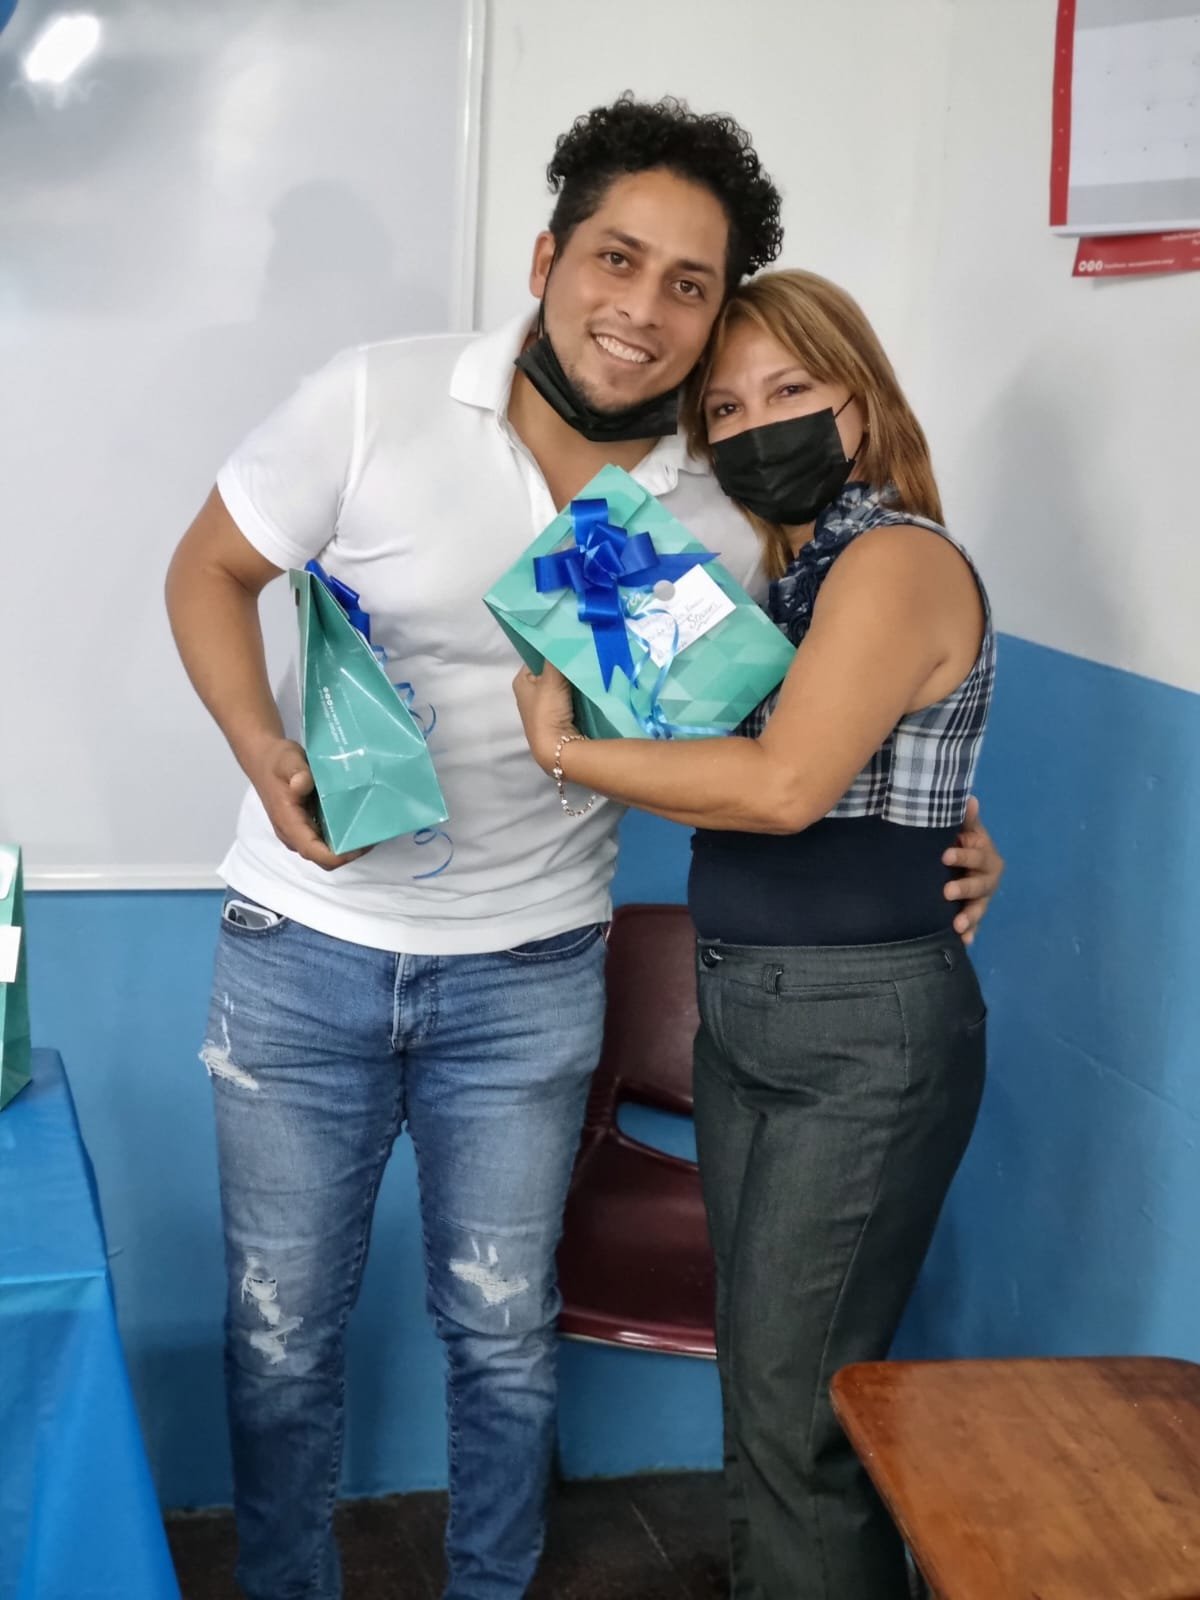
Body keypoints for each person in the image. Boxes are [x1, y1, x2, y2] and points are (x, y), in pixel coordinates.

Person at [165, 94, 1003, 1600]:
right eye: (618, 258)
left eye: (690, 284)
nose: (644, 309)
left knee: (502, 1332)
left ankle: (493, 1587)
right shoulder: (377, 397)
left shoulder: (721, 496)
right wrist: (257, 746)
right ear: (550, 257)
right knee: (279, 1336)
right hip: (302, 949)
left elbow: (804, 722)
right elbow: (207, 571)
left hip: (534, 968)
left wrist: (948, 827)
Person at [513, 267, 997, 1600]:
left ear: (863, 399)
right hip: (755, 1006)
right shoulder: (791, 581)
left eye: (790, 390)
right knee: (773, 1396)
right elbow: (839, 771)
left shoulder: (893, 558)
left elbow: (782, 789)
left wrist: (565, 750)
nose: (755, 425)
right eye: (724, 408)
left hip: (856, 1030)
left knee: (799, 1421)